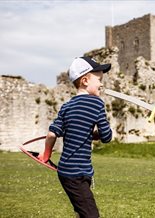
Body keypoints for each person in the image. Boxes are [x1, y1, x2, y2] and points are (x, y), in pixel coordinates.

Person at [38, 56, 113, 218]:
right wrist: (101, 132)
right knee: (91, 215)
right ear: (85, 80)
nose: (101, 84)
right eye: (99, 79)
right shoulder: (97, 103)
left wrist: (46, 154)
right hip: (77, 173)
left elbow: (52, 134)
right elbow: (106, 137)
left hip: (66, 171)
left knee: (82, 210)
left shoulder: (66, 106)